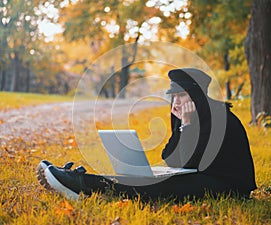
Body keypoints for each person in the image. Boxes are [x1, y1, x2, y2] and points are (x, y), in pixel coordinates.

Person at [37, 68, 257, 201]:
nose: (176, 102)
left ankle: (81, 182)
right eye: (174, 96)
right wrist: (182, 126)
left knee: (153, 187)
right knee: (146, 179)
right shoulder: (185, 116)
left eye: (182, 96)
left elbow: (190, 163)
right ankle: (82, 184)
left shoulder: (220, 119)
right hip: (199, 176)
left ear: (197, 96)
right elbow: (171, 158)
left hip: (228, 187)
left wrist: (188, 125)